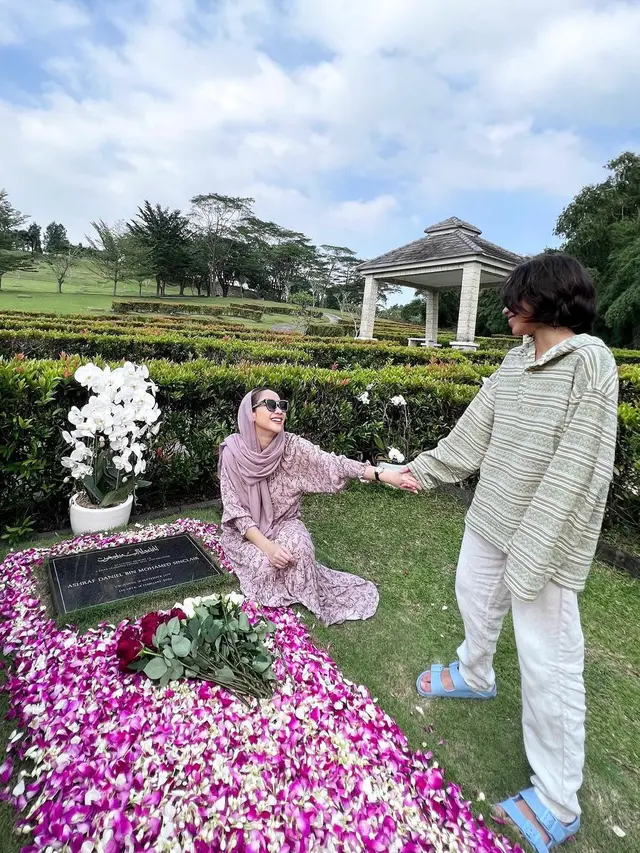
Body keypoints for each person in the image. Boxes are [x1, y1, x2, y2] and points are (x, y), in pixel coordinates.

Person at [406, 254, 619, 853]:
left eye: (517, 298)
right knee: (471, 594)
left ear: (549, 301)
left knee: (548, 663)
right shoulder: (512, 359)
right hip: (492, 517)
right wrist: (421, 472)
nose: (507, 308)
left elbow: (580, 468)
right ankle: (474, 673)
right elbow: (474, 433)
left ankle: (557, 800)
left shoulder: (590, 362)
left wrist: (533, 551)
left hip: (545, 541)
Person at [218, 387, 419, 626]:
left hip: (284, 523)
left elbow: (331, 464)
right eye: (270, 405)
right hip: (246, 536)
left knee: (300, 550)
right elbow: (236, 512)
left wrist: (384, 475)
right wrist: (269, 548)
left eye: (282, 405)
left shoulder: (291, 447)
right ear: (250, 414)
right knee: (264, 565)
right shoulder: (232, 454)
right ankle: (282, 582)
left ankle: (300, 589)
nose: (279, 411)